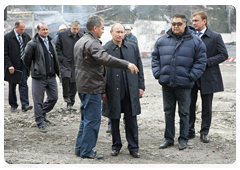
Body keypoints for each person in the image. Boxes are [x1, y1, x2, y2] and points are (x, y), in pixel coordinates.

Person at [74, 15, 139, 159]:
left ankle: (80, 148)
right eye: (102, 28)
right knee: (92, 120)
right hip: (92, 87)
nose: (103, 31)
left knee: (85, 119)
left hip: (83, 86)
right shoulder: (93, 43)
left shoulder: (81, 41)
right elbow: (106, 59)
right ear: (95, 28)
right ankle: (87, 151)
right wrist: (126, 64)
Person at [151, 13, 207, 150]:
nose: (175, 26)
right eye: (173, 24)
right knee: (168, 112)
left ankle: (183, 139)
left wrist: (191, 76)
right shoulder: (162, 40)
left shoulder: (195, 41)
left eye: (179, 24)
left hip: (184, 84)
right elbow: (155, 58)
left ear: (185, 24)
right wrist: (158, 73)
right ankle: (168, 138)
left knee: (184, 113)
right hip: (167, 83)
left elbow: (201, 61)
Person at [102, 23, 145, 158]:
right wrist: (103, 91)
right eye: (117, 32)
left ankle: (133, 147)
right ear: (111, 32)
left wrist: (141, 86)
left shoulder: (132, 46)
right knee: (114, 118)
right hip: (112, 90)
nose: (120, 34)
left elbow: (139, 66)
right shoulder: (105, 49)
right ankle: (116, 146)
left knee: (131, 119)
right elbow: (101, 72)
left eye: (122, 32)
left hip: (129, 89)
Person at [189, 11, 229, 143]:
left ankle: (204, 132)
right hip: (192, 76)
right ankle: (190, 130)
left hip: (208, 76)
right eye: (193, 20)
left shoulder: (215, 36)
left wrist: (207, 62)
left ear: (204, 21)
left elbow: (223, 55)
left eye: (196, 20)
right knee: (190, 105)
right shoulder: (189, 36)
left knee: (207, 107)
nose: (193, 23)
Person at [23, 22, 60, 133]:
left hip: (51, 76)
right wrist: (35, 69)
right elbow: (26, 60)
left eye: (47, 29)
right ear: (38, 31)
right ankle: (40, 122)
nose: (45, 31)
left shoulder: (51, 41)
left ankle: (42, 113)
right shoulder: (32, 44)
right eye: (43, 29)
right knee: (38, 101)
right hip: (39, 77)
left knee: (54, 97)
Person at [4, 20, 33, 112]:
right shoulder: (7, 37)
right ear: (15, 27)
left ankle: (25, 105)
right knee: (12, 85)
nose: (22, 31)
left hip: (23, 64)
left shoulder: (26, 36)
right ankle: (13, 105)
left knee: (24, 83)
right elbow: (4, 53)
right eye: (21, 29)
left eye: (23, 29)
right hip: (12, 65)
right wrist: (9, 65)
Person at [56, 20, 83, 109]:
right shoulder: (62, 35)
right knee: (66, 78)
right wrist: (62, 58)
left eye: (77, 29)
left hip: (76, 62)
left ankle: (71, 101)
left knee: (74, 82)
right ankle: (66, 96)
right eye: (74, 28)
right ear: (70, 27)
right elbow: (58, 48)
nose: (76, 31)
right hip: (65, 61)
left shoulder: (81, 36)